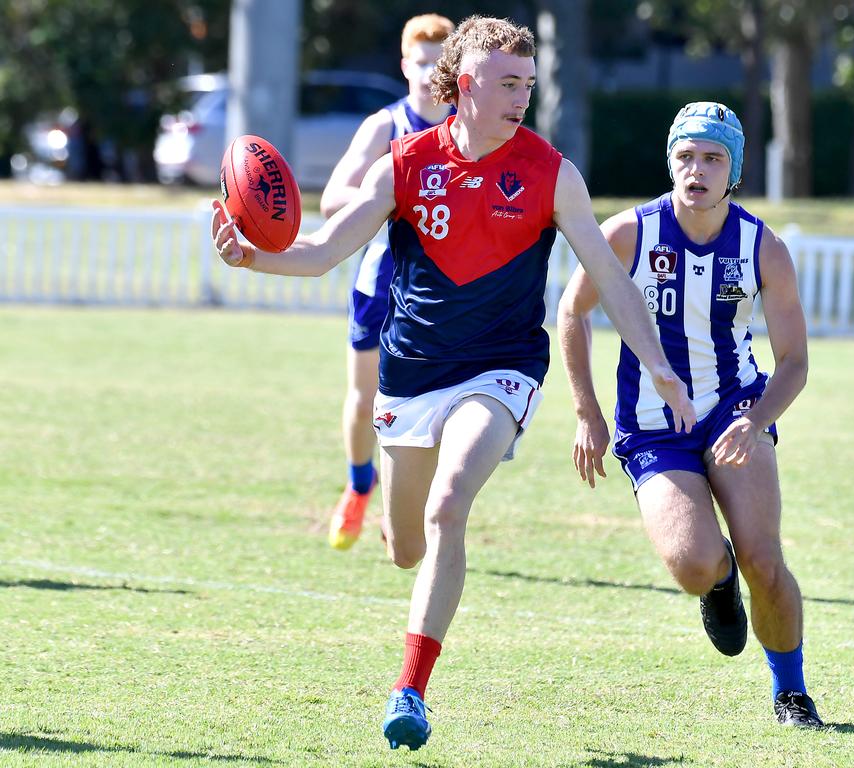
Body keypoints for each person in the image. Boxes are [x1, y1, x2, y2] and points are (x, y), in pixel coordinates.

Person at [212, 15, 694, 751]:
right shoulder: (405, 164)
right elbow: (318, 253)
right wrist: (251, 258)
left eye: (528, 85)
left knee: (449, 505)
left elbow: (609, 276)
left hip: (502, 368)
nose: (522, 98)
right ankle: (394, 527)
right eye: (508, 84)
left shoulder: (550, 171)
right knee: (406, 547)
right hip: (409, 378)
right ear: (465, 84)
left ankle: (410, 690)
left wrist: (659, 365)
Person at [556, 102, 825, 729]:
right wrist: (587, 413)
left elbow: (794, 363)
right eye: (684, 155)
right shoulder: (631, 232)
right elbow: (572, 312)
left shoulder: (764, 247)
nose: (695, 169)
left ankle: (792, 692)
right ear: (669, 161)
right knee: (695, 564)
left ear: (733, 170)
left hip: (735, 410)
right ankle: (718, 578)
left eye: (712, 158)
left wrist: (755, 420)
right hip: (653, 426)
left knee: (764, 557)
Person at [319, 13, 455, 551]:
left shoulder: (468, 132)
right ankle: (358, 485)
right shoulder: (385, 127)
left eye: (439, 63)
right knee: (363, 396)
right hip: (380, 284)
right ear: (404, 66)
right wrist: (393, 203)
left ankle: (407, 506)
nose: (428, 73)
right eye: (420, 63)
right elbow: (332, 197)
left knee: (438, 406)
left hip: (442, 293)